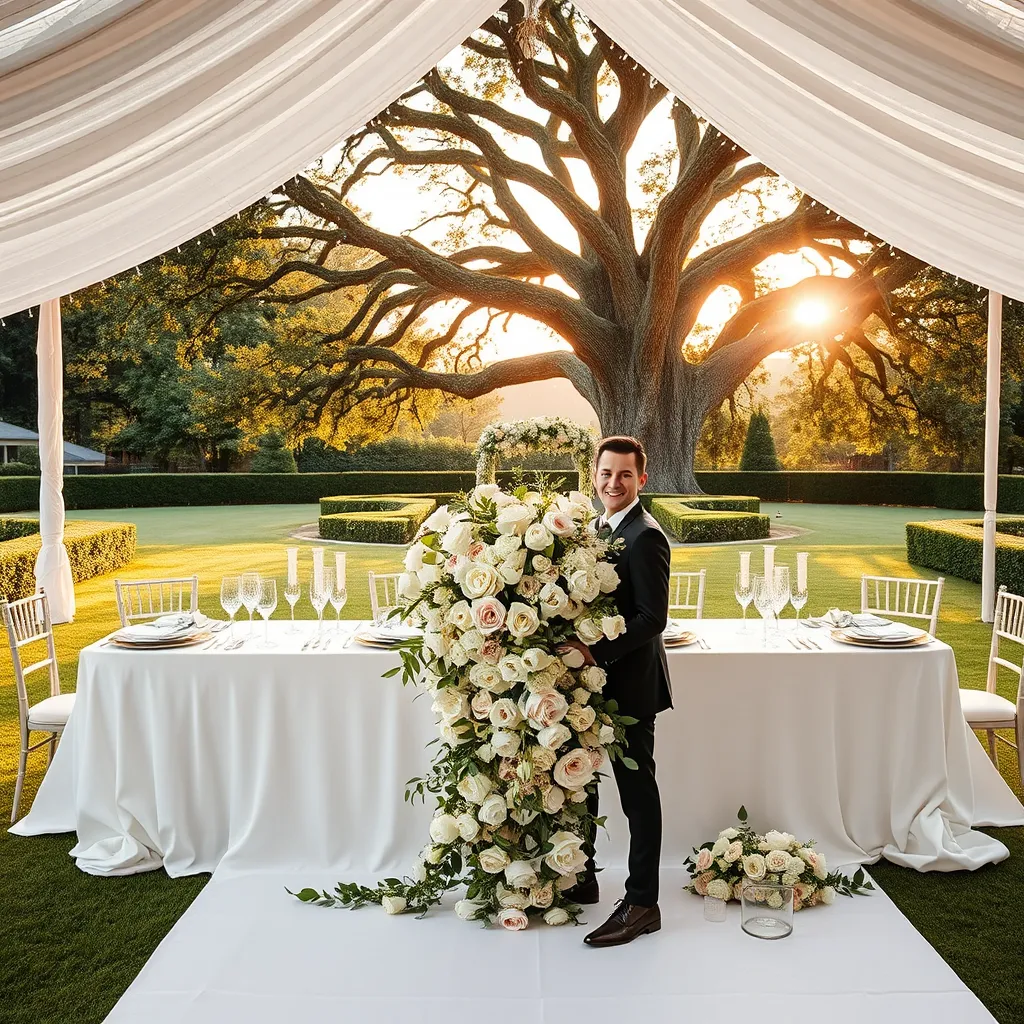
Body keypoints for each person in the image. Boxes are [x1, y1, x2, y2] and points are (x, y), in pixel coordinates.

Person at [558, 435, 672, 948]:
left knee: (637, 794)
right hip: (598, 688)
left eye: (624, 475)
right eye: (605, 474)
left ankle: (643, 901)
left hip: (629, 687)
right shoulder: (602, 527)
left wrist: (591, 652)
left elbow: (652, 618)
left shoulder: (645, 535)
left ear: (641, 479)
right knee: (585, 781)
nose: (613, 483)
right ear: (595, 475)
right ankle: (584, 879)